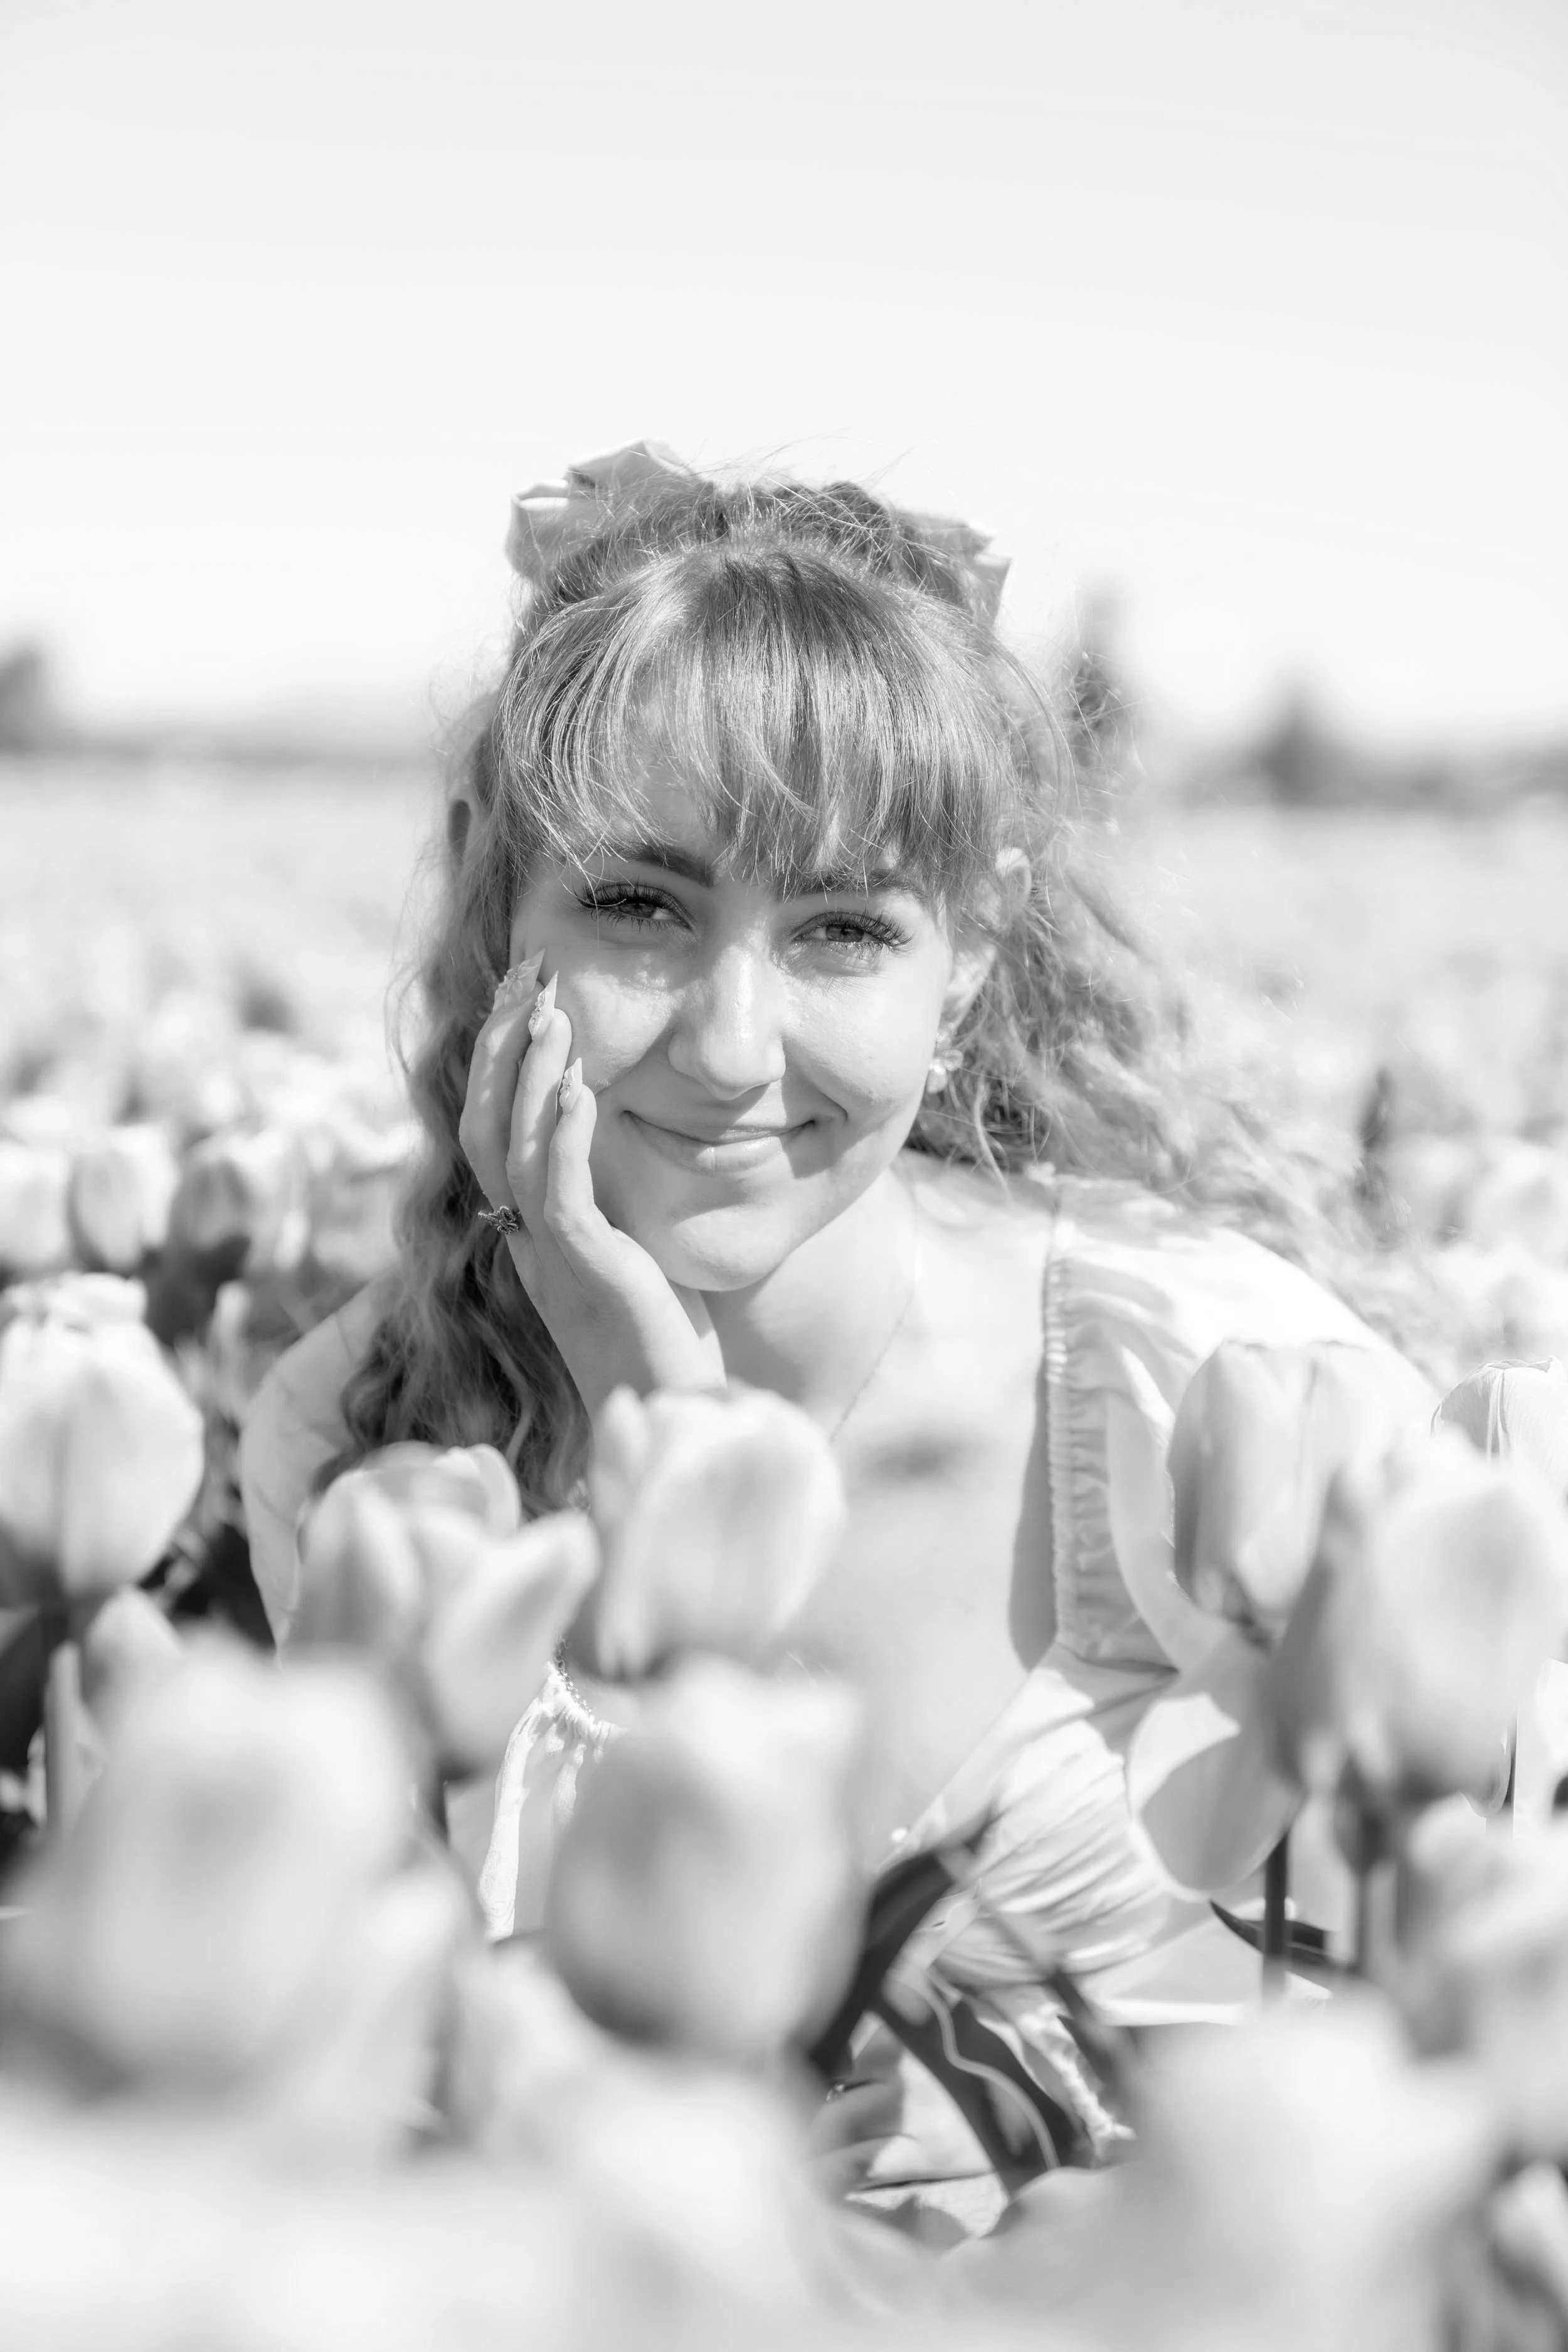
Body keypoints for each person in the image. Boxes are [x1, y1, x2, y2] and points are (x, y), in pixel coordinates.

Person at [240, 442, 1431, 2206]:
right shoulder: (372, 1448)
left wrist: (1088, 2155)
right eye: (640, 907)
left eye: (840, 929)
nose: (730, 1043)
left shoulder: (1206, 1376)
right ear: (501, 898)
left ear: (965, 959)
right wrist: (652, 1402)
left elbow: (1456, 2012)